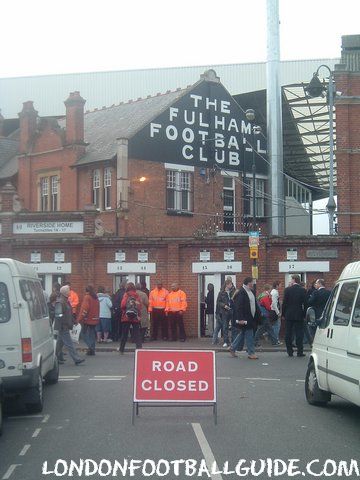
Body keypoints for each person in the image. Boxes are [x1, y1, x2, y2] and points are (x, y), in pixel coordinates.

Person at [229, 277, 261, 359]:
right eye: (252, 282)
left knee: (243, 333)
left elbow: (254, 304)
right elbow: (239, 307)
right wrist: (240, 319)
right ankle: (251, 353)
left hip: (252, 317)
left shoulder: (251, 292)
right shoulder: (241, 292)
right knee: (249, 334)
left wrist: (258, 314)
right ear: (248, 283)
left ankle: (232, 347)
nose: (253, 284)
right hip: (245, 318)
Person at [54, 285, 84, 365]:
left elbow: (69, 313)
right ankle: (76, 359)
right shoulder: (60, 302)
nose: (70, 292)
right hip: (63, 326)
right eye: (68, 290)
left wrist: (74, 321)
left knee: (59, 344)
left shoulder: (66, 301)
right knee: (69, 344)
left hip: (65, 325)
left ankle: (54, 357)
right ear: (65, 292)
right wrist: (64, 323)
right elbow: (58, 315)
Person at [282, 274, 307, 357]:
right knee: (299, 333)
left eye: (291, 279)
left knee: (288, 333)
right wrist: (304, 314)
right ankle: (300, 352)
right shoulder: (302, 290)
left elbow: (284, 303)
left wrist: (283, 314)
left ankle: (290, 351)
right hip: (299, 314)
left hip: (289, 314)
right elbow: (305, 303)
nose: (291, 281)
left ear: (294, 280)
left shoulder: (287, 290)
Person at [119, 282, 142, 353]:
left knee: (124, 334)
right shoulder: (136, 295)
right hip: (135, 317)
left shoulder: (126, 295)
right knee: (137, 334)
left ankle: (121, 349)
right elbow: (139, 306)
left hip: (126, 317)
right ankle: (139, 349)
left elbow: (122, 305)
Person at [77, 285, 100, 356]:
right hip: (95, 318)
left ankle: (90, 347)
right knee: (92, 334)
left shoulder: (87, 297)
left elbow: (84, 309)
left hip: (88, 319)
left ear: (86, 290)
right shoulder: (96, 298)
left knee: (83, 334)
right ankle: (92, 350)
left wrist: (79, 319)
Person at [212, 279, 233, 347]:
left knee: (224, 327)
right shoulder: (221, 293)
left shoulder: (231, 292)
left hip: (229, 311)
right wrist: (224, 305)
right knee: (224, 327)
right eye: (230, 284)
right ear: (227, 285)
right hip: (223, 312)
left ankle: (217, 341)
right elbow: (218, 302)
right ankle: (226, 341)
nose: (231, 285)